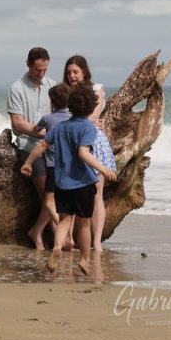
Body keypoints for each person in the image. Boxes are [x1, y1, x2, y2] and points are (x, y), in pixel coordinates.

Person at [20, 85, 117, 275]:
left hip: (62, 183)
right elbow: (83, 153)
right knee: (84, 223)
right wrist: (103, 168)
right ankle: (83, 259)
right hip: (83, 183)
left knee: (64, 220)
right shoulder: (88, 128)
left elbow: (42, 144)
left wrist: (28, 163)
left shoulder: (61, 126)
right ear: (91, 108)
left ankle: (57, 248)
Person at [63, 55, 116, 251]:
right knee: (73, 191)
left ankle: (96, 242)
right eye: (69, 72)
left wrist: (87, 120)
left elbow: (93, 115)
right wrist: (88, 120)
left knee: (97, 194)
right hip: (72, 142)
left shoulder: (96, 90)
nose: (72, 76)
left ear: (84, 72)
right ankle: (71, 239)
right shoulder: (64, 92)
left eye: (75, 71)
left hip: (94, 142)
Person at [7, 47, 55, 249]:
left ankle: (56, 235)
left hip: (51, 145)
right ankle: (44, 232)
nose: (41, 74)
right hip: (28, 145)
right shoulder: (16, 88)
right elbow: (17, 124)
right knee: (47, 191)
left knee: (58, 189)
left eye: (44, 69)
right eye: (37, 69)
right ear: (28, 65)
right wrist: (40, 132)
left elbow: (62, 114)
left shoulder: (52, 86)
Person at [34, 83, 72, 229]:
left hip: (52, 166)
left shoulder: (47, 118)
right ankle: (67, 233)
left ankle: (63, 227)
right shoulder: (74, 118)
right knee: (67, 202)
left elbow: (37, 130)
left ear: (52, 101)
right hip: (70, 166)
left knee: (50, 202)